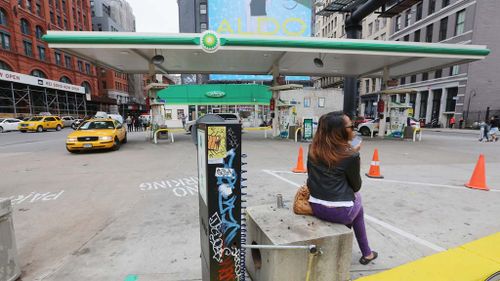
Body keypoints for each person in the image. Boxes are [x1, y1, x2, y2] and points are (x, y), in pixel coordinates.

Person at [306, 111, 377, 265]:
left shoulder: (312, 148)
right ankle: (367, 252)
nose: (354, 129)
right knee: (358, 200)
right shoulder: (350, 155)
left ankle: (367, 252)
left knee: (356, 208)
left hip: (316, 206)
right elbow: (356, 186)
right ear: (339, 132)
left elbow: (310, 177)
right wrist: (354, 155)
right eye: (351, 126)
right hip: (340, 213)